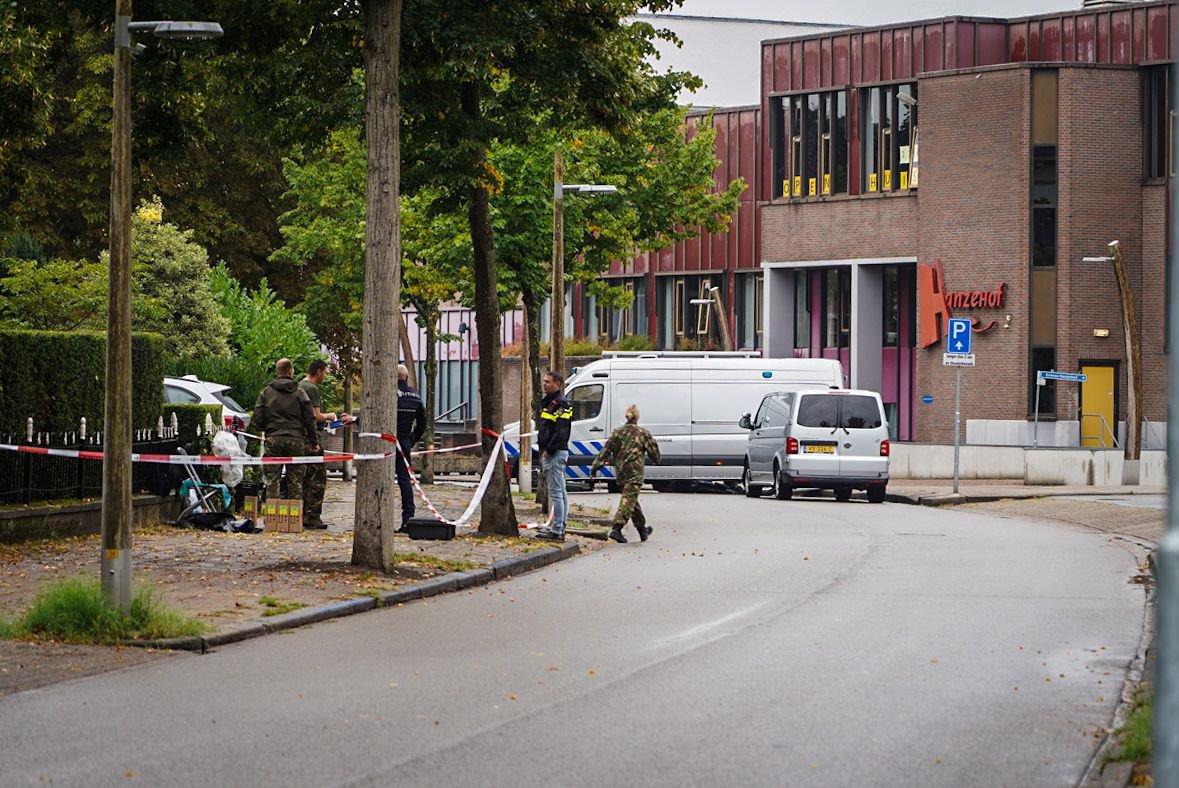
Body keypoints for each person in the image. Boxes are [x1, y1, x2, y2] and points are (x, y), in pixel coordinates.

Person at [252, 358, 318, 515]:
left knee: (272, 479)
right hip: (295, 439)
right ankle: (294, 518)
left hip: (273, 439)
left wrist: (267, 430)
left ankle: (273, 518)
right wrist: (313, 440)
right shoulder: (300, 392)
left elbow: (257, 417)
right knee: (295, 480)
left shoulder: (266, 392)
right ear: (290, 371)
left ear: (277, 371)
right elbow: (310, 418)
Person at [590, 403, 661, 544]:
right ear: (637, 417)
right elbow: (655, 455)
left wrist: (595, 466)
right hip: (635, 472)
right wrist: (655, 459)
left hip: (621, 472)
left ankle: (642, 529)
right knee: (629, 499)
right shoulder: (643, 433)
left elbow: (606, 451)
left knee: (630, 500)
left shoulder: (617, 433)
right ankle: (617, 528)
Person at [299, 359, 352, 529]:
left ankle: (300, 513)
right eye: (326, 372)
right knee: (317, 478)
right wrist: (329, 416)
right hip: (311, 438)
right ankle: (312, 516)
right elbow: (316, 415)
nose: (326, 375)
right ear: (319, 371)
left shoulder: (299, 385)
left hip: (299, 438)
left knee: (303, 478)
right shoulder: (312, 389)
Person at [534, 370, 572, 542]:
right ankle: (559, 526)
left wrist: (549, 450)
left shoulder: (561, 404)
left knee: (556, 492)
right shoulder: (550, 402)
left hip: (555, 453)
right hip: (552, 452)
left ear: (557, 384)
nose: (544, 384)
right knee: (560, 491)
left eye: (548, 382)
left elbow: (561, 430)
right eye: (544, 381)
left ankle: (557, 530)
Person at [394, 364, 427, 531]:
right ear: (406, 378)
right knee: (404, 481)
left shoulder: (389, 394)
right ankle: (408, 519)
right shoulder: (415, 396)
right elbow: (423, 422)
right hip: (405, 442)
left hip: (386, 442)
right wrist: (412, 439)